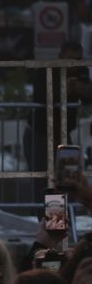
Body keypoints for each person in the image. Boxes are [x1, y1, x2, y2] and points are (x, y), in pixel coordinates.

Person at [24, 40, 92, 188]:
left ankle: (61, 211)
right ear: (61, 57)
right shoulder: (47, 70)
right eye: (69, 59)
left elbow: (88, 96)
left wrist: (78, 87)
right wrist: (64, 90)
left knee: (68, 181)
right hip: (40, 133)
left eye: (77, 60)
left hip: (63, 133)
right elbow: (42, 98)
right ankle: (46, 212)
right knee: (44, 183)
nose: (73, 65)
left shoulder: (81, 71)